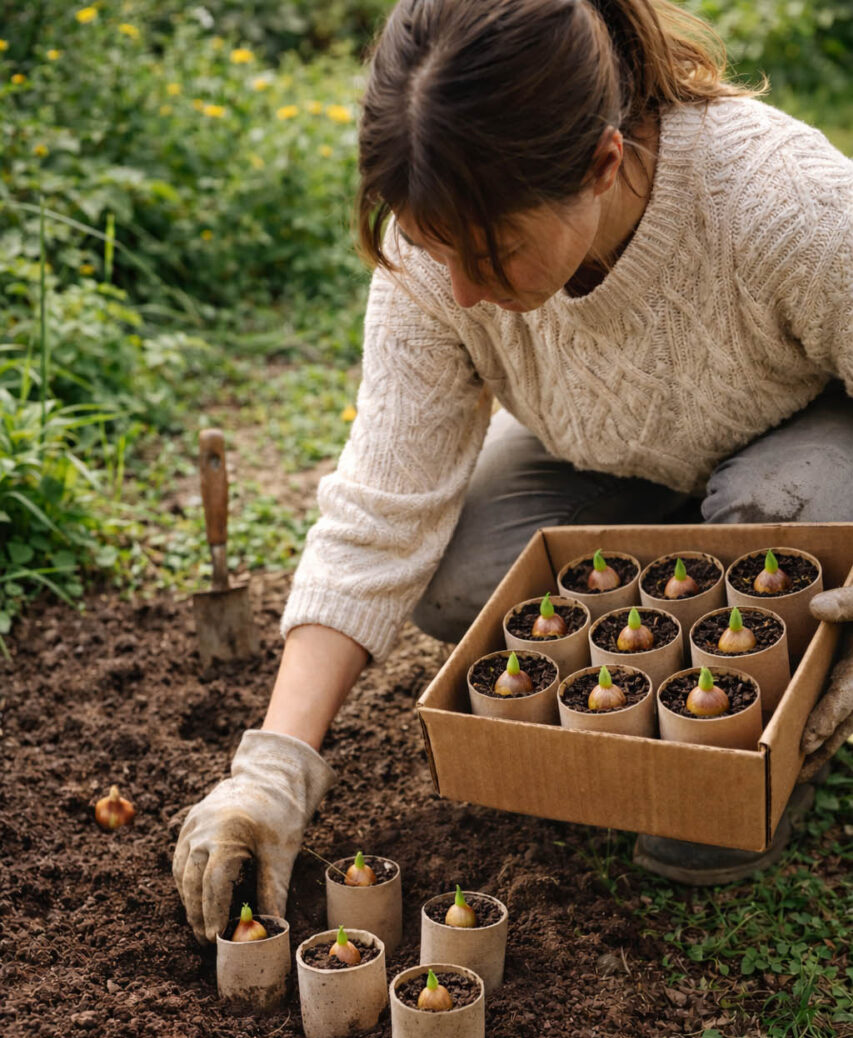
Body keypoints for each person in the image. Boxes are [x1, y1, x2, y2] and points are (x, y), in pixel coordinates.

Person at [173, 0, 853, 941]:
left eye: (489, 251)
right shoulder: (433, 253)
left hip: (803, 441)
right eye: (435, 246)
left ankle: (756, 748)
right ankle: (681, 629)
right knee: (459, 576)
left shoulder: (784, 204)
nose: (459, 289)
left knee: (775, 518)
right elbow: (380, 510)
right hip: (621, 463)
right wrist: (273, 765)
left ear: (602, 164)